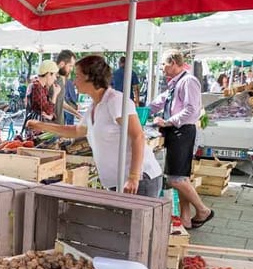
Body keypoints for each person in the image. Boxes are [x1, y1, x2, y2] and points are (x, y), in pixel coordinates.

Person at [27, 55, 162, 197]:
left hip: (139, 181)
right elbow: (77, 131)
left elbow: (138, 136)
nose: (74, 82)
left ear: (90, 78)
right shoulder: (94, 106)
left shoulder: (115, 100)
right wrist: (41, 125)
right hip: (118, 182)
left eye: (77, 76)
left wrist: (134, 177)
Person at [150, 49, 213, 229]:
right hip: (176, 132)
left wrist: (168, 122)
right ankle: (185, 219)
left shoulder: (188, 81)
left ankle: (203, 210)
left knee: (175, 179)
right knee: (182, 177)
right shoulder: (175, 83)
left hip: (182, 132)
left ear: (173, 63)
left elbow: (191, 110)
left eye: (164, 63)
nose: (162, 67)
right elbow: (158, 102)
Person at [25, 60, 58, 125]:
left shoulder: (41, 87)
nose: (55, 78)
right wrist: (55, 94)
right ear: (48, 74)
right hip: (37, 129)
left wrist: (51, 116)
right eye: (54, 75)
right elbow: (49, 111)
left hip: (37, 127)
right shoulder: (37, 87)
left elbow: (50, 113)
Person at [54, 50, 81, 125]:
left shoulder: (62, 78)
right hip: (51, 126)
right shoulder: (53, 78)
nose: (71, 69)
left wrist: (77, 114)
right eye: (70, 66)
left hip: (58, 125)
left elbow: (61, 102)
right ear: (62, 64)